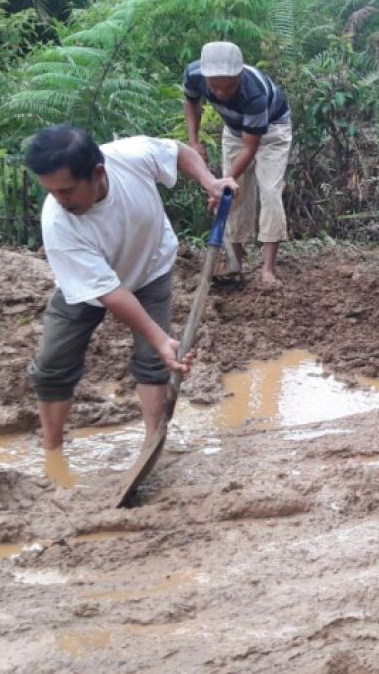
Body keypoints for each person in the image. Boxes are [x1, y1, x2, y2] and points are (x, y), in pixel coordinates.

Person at [25, 125, 237, 450]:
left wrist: (210, 181)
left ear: (98, 172)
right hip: (89, 287)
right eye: (50, 191)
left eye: (66, 190)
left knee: (154, 360)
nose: (59, 199)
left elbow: (178, 151)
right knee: (52, 365)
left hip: (151, 264)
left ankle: (153, 443)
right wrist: (160, 337)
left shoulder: (131, 156)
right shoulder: (58, 222)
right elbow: (111, 294)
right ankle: (52, 450)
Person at [182, 41, 292, 288]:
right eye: (215, 87)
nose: (220, 94)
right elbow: (191, 103)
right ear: (206, 76)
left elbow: (250, 147)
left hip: (273, 130)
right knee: (232, 194)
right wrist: (194, 142)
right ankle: (236, 265)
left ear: (239, 75)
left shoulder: (254, 94)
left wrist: (219, 182)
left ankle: (268, 269)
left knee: (270, 192)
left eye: (228, 87)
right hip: (234, 130)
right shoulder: (194, 74)